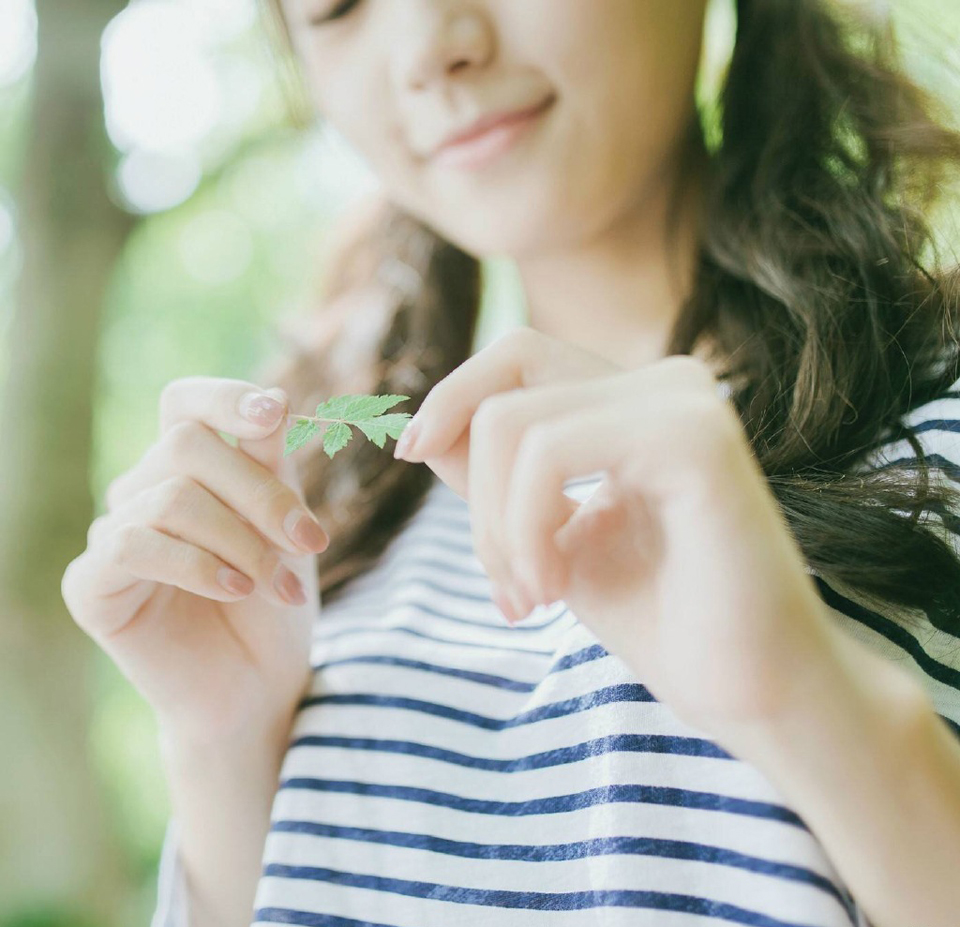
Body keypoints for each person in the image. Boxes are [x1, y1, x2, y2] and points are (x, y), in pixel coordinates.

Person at [59, 0, 960, 925]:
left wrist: (819, 707)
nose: (427, 48)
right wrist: (224, 747)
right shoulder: (328, 526)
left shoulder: (939, 432)